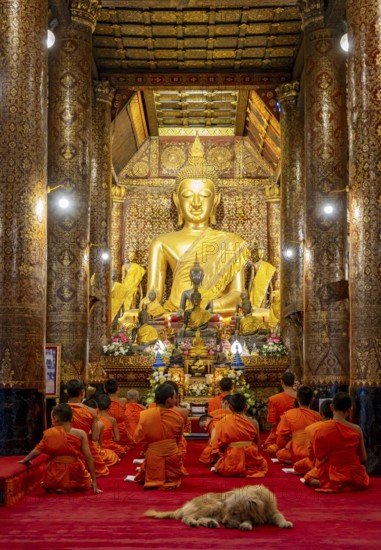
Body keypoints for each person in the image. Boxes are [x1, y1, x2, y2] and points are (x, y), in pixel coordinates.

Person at [145, 135, 250, 316]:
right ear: (176, 200)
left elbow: (238, 295)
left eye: (203, 195)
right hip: (176, 315)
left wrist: (210, 307)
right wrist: (150, 305)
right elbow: (153, 294)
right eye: (187, 195)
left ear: (216, 200)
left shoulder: (232, 242)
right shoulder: (161, 243)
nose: (195, 202)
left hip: (214, 316)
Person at [19, 404, 102, 494]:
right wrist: (94, 482)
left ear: (55, 419)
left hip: (55, 479)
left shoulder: (50, 434)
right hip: (77, 478)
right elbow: (88, 457)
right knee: (84, 482)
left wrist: (25, 460)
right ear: (72, 419)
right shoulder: (81, 433)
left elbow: (36, 451)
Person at [304, 392, 369, 492]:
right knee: (360, 480)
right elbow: (363, 457)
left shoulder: (321, 429)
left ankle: (333, 483)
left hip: (333, 472)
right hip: (355, 476)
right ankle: (344, 482)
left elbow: (319, 456)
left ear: (331, 408)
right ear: (349, 410)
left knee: (309, 478)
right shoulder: (357, 429)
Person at [134, 383, 185, 490]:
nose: (176, 400)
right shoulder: (177, 417)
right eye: (175, 397)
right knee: (173, 479)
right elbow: (178, 439)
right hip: (172, 458)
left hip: (154, 458)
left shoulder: (145, 415)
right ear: (168, 400)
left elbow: (138, 437)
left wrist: (152, 446)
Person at [211, 393, 268, 478]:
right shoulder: (254, 422)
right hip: (251, 457)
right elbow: (257, 445)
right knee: (263, 464)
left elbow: (216, 444)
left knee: (220, 466)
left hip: (232, 460)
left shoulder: (223, 422)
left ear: (230, 407)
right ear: (246, 406)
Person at [66, 379, 109, 477]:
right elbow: (94, 438)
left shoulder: (58, 410)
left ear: (67, 393)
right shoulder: (91, 411)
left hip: (65, 450)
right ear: (82, 393)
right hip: (85, 451)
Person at [276, 385, 321, 464]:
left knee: (279, 454)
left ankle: (296, 461)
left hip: (295, 452)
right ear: (312, 400)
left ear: (297, 399)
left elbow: (282, 435)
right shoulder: (318, 416)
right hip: (312, 452)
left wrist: (292, 438)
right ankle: (308, 461)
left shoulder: (289, 414)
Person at [293, 399, 333, 476]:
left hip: (320, 463)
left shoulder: (312, 428)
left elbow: (310, 453)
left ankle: (327, 480)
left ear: (320, 413)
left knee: (302, 471)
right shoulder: (348, 428)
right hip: (341, 464)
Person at [263, 372, 297, 454]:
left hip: (280, 431)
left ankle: (281, 447)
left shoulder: (274, 399)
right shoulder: (301, 397)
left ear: (282, 382)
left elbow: (271, 420)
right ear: (294, 382)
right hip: (298, 430)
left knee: (268, 445)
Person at [112, 250, 145, 321]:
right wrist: (122, 287)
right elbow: (123, 277)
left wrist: (140, 289)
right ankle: (125, 314)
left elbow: (139, 280)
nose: (131, 257)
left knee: (133, 297)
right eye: (130, 255)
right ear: (128, 256)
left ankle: (132, 317)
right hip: (126, 284)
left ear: (135, 256)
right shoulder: (124, 266)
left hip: (134, 286)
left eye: (133, 255)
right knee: (124, 299)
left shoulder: (137, 267)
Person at [198, 395, 231, 465]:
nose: (205, 429)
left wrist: (213, 441)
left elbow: (214, 426)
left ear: (225, 403)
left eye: (221, 403)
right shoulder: (239, 416)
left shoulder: (215, 414)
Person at [105, 378, 135, 451]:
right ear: (118, 388)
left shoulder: (103, 402)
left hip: (108, 432)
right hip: (121, 432)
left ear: (105, 389)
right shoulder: (123, 401)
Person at [96, 394, 126, 459]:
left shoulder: (94, 418)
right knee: (121, 451)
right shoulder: (112, 420)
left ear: (97, 405)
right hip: (110, 446)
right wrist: (110, 439)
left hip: (97, 446)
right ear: (109, 406)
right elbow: (117, 439)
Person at [248, 244, 276, 309]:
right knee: (256, 305)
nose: (261, 254)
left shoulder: (267, 266)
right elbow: (252, 278)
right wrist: (249, 291)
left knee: (263, 304)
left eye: (262, 253)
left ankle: (263, 317)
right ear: (256, 253)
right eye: (259, 252)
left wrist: (271, 290)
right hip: (256, 286)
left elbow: (269, 280)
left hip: (264, 286)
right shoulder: (254, 265)